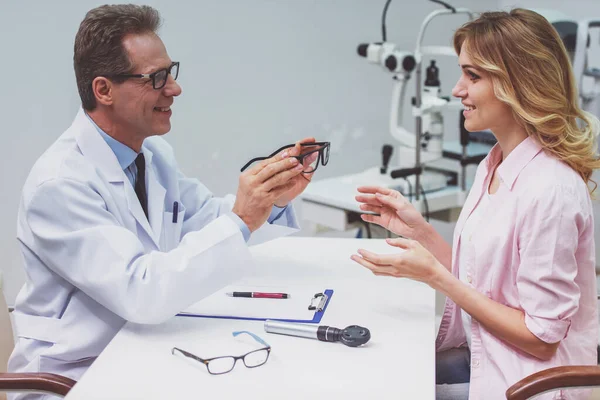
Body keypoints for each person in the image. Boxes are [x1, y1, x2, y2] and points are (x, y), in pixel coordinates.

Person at [8, 5, 319, 397]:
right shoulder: (58, 185)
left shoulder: (152, 156)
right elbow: (141, 292)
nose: (173, 89)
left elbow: (208, 219)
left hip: (142, 348)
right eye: (156, 78)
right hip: (78, 375)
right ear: (103, 90)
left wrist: (272, 200)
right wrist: (242, 218)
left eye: (171, 72)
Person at [352, 9, 600, 400]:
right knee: (372, 364)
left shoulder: (551, 189)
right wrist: (420, 232)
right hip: (489, 354)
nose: (457, 90)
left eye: (473, 76)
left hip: (527, 381)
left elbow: (541, 338)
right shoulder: (495, 164)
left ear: (518, 82)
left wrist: (434, 276)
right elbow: (482, 282)